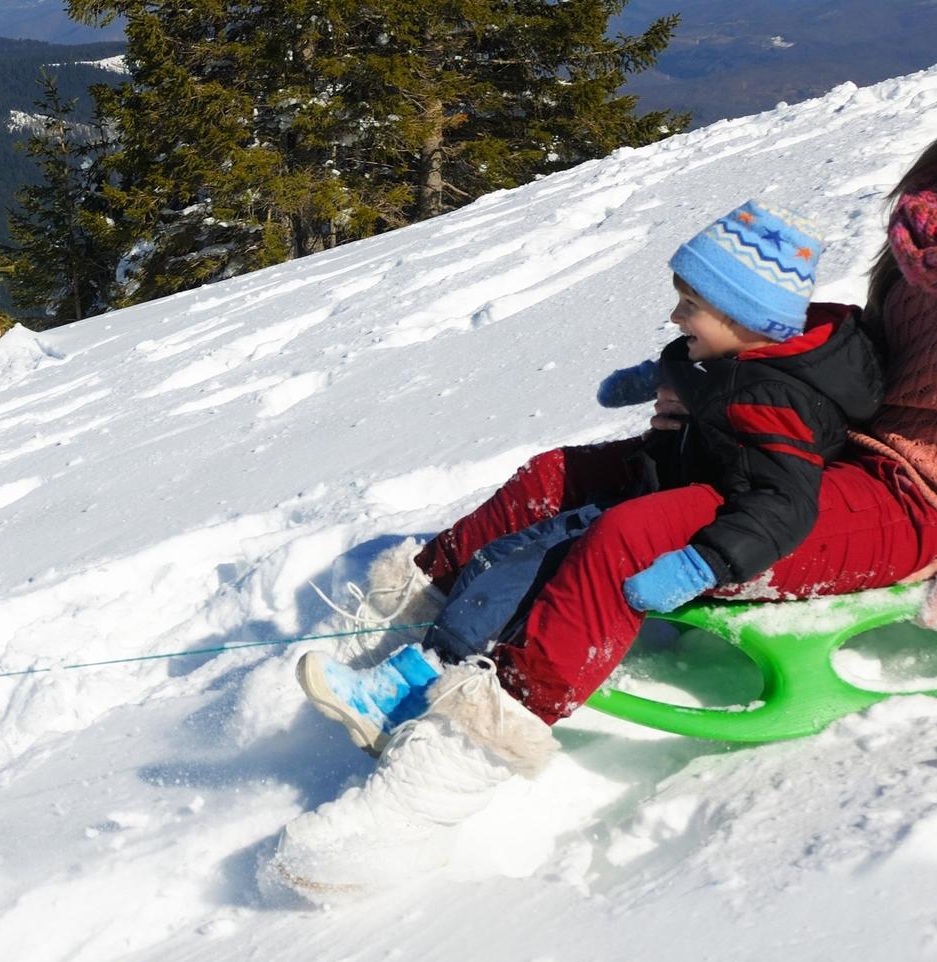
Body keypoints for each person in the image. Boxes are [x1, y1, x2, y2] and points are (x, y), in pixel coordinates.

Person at [271, 0, 937, 901]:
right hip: (810, 449)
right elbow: (874, 356)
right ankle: (399, 625)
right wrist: (729, 379)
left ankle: (420, 805)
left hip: (903, 504)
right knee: (562, 476)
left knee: (630, 537)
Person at [292, 201, 882, 747]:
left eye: (691, 307)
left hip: (682, 530)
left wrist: (703, 562)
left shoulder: (775, 400)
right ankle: (412, 676)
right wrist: (654, 377)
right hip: (649, 490)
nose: (675, 315)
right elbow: (709, 379)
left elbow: (787, 502)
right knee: (500, 559)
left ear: (745, 318)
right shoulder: (730, 358)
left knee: (522, 577)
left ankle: (400, 691)